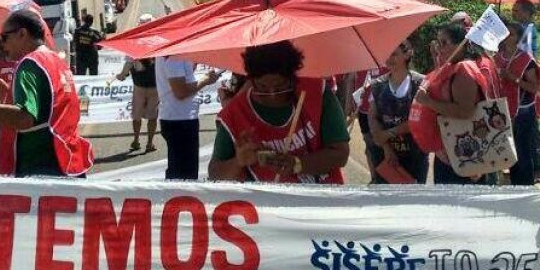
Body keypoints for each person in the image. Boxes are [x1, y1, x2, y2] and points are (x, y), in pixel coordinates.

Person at [0, 9, 94, 178]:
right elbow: (37, 108)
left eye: (5, 38)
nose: (2, 45)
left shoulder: (29, 64)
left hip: (42, 168)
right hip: (66, 161)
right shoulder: (56, 60)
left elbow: (25, 118)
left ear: (22, 34)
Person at [209, 41, 349, 183]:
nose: (272, 95)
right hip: (269, 203)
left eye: (280, 87)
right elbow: (215, 175)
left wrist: (298, 164)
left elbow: (340, 153)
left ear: (292, 78)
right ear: (251, 80)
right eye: (262, 88)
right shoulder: (234, 114)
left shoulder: (316, 92)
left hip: (324, 199)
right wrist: (238, 162)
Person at [412, 23, 492, 185]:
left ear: (460, 44)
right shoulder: (453, 67)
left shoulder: (464, 69)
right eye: (438, 42)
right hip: (450, 152)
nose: (440, 48)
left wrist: (428, 102)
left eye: (444, 43)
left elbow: (465, 111)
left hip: (463, 153)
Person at [368, 39, 427, 184]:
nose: (389, 59)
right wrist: (386, 148)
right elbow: (373, 117)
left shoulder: (420, 83)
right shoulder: (377, 85)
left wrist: (389, 133)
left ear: (407, 55)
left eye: (394, 54)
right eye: (387, 54)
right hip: (385, 156)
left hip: (414, 156)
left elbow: (419, 119)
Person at [156, 53, 219, 180]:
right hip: (179, 119)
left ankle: (180, 196)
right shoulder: (173, 57)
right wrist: (206, 80)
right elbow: (180, 92)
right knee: (183, 173)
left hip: (181, 117)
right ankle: (179, 198)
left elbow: (182, 80)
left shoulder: (176, 56)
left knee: (185, 171)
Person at [494, 18, 540, 186]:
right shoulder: (497, 57)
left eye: (510, 34)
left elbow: (534, 88)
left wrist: (513, 78)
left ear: (518, 38)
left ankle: (525, 186)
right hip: (502, 110)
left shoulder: (525, 59)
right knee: (510, 152)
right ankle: (514, 185)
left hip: (522, 111)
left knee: (522, 151)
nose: (506, 36)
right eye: (504, 32)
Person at [115, 14, 159, 153]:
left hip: (139, 86)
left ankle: (136, 140)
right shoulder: (158, 41)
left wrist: (121, 75)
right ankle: (149, 143)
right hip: (155, 86)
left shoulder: (134, 43)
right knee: (152, 116)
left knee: (137, 115)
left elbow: (128, 63)